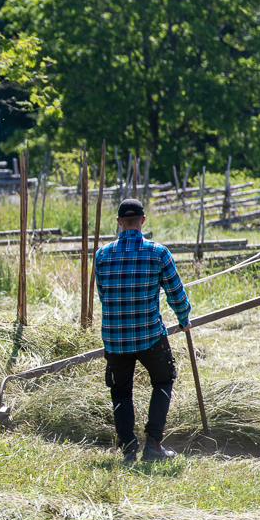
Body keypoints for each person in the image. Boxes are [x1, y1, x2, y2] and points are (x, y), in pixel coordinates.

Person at [95, 198, 190, 462]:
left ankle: (127, 449)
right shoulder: (158, 253)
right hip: (149, 336)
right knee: (163, 380)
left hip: (114, 338)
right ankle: (153, 445)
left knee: (121, 390)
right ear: (142, 222)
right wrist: (183, 318)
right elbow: (175, 293)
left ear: (118, 223)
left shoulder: (102, 255)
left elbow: (104, 295)